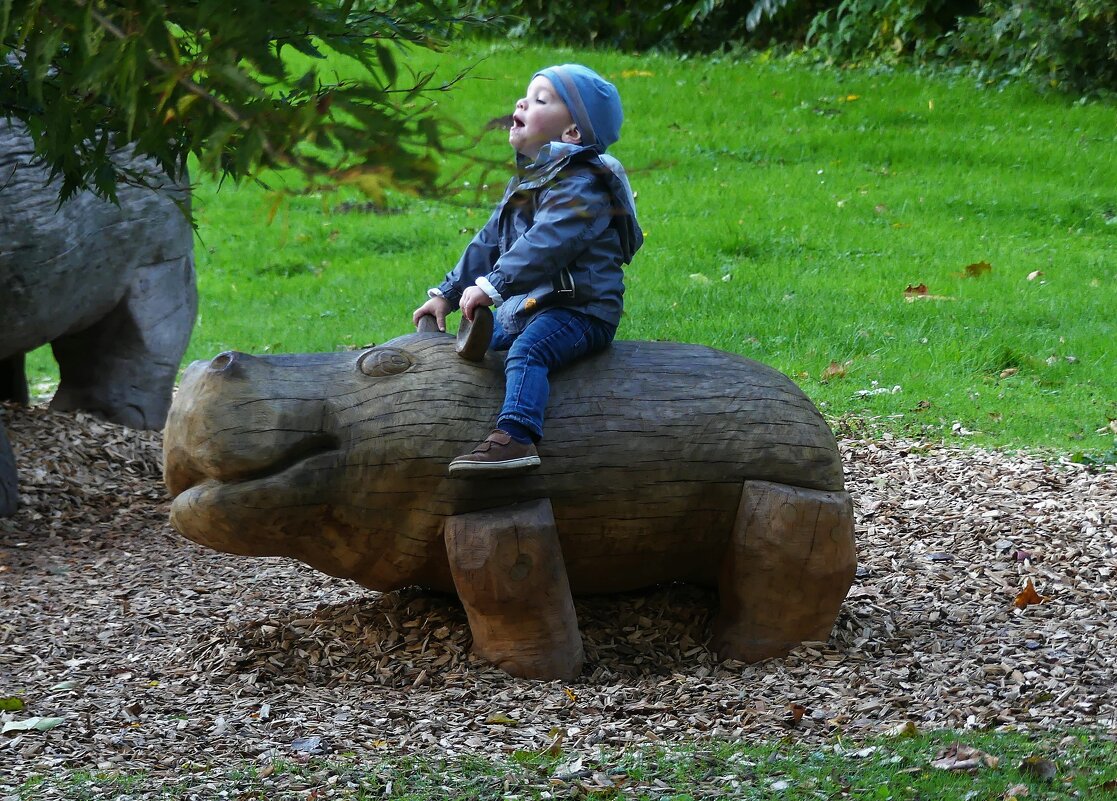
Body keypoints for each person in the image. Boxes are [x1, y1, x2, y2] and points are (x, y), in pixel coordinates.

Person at [411, 63, 643, 477]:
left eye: (540, 100)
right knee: (492, 341)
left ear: (572, 133)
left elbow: (548, 244)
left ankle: (517, 437)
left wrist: (494, 285)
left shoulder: (583, 183)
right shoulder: (530, 178)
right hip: (536, 303)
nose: (522, 102)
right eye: (525, 95)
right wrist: (445, 294)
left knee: (529, 350)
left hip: (582, 309)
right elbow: (489, 240)